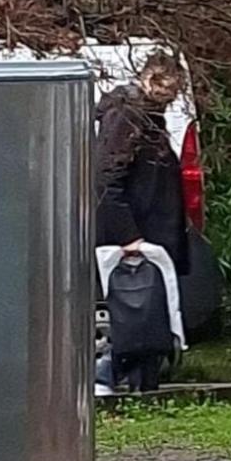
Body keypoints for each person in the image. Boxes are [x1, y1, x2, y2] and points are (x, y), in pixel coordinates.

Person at [96, 51, 190, 391]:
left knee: (143, 315)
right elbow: (108, 178)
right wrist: (129, 236)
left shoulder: (144, 116)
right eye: (168, 87)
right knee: (138, 316)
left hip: (147, 231)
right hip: (137, 235)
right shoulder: (129, 117)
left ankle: (131, 381)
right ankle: (107, 374)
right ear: (149, 79)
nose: (171, 96)